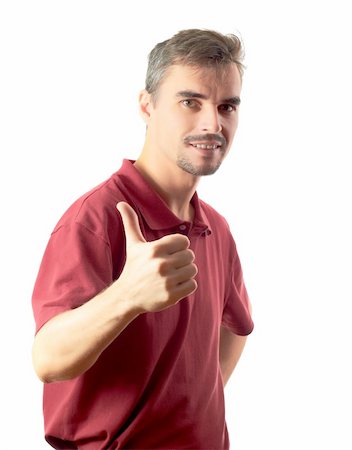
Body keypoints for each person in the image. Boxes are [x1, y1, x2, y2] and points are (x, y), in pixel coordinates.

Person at [32, 28, 254, 450]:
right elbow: (47, 360)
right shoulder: (96, 219)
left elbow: (236, 327)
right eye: (190, 102)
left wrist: (188, 408)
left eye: (226, 106)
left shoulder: (216, 227)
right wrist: (127, 296)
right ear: (147, 106)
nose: (212, 123)